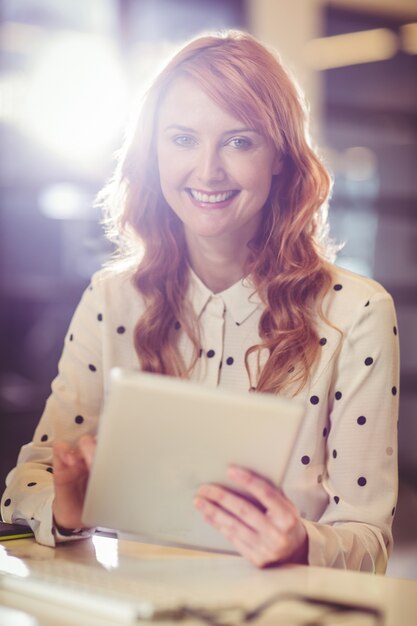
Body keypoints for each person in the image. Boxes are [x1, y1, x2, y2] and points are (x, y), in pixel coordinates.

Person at [1, 31, 399, 572]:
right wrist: (66, 512)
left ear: (279, 157)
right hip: (130, 607)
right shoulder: (111, 298)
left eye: (239, 141)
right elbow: (29, 479)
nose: (208, 171)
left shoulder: (357, 313)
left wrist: (302, 543)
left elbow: (368, 538)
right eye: (183, 139)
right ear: (153, 151)